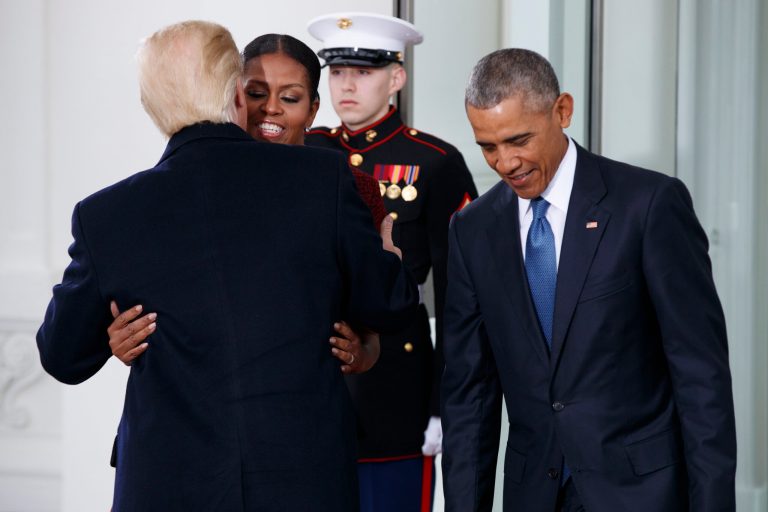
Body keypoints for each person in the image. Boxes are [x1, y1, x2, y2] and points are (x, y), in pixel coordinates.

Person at [36, 20, 418, 511]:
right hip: (303, 481)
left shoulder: (106, 214)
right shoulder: (322, 181)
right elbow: (389, 306)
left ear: (151, 105)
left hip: (169, 485)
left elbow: (61, 356)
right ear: (237, 92)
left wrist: (110, 336)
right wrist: (391, 262)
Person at [441, 48, 737, 512]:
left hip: (643, 494)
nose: (505, 163)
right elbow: (469, 397)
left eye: (519, 140)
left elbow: (701, 377)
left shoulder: (649, 205)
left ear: (562, 111)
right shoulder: (472, 230)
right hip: (533, 494)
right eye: (488, 146)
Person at [108, 33, 388, 374]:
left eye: (290, 97)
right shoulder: (194, 181)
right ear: (235, 97)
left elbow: (376, 316)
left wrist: (363, 354)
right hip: (205, 395)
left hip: (317, 396)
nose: (270, 108)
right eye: (255, 93)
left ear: (313, 109)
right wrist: (122, 337)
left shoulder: (350, 188)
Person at [305, 12, 478, 511]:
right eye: (337, 72)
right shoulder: (307, 152)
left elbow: (455, 296)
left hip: (396, 392)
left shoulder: (434, 162)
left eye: (363, 72)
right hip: (313, 385)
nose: (347, 85)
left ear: (396, 79)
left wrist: (443, 406)